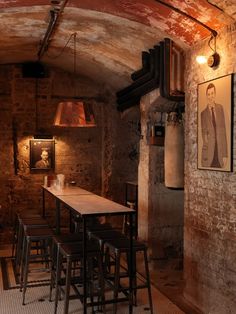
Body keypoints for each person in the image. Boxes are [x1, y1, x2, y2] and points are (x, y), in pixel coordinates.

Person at [200, 83, 228, 168]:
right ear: (206, 96)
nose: (210, 96)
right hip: (209, 153)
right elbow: (204, 135)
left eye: (212, 93)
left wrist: (225, 154)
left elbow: (223, 132)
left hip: (219, 153)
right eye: (208, 94)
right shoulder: (203, 114)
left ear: (215, 94)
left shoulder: (220, 108)